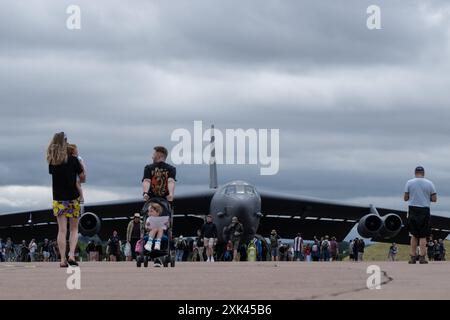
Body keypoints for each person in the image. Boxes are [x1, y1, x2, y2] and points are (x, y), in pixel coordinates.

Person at [47, 132, 85, 267]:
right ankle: (71, 255)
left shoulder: (52, 161)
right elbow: (82, 178)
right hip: (73, 197)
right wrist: (81, 165)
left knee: (61, 230)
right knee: (74, 229)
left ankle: (62, 259)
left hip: (58, 198)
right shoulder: (74, 160)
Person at [404, 166, 437, 264]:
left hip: (413, 209)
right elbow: (434, 199)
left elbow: (405, 198)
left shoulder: (409, 182)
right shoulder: (430, 183)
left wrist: (412, 196)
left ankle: (413, 257)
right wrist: (427, 198)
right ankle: (422, 257)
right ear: (423, 173)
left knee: (413, 235)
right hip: (424, 210)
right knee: (423, 235)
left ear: (415, 173)